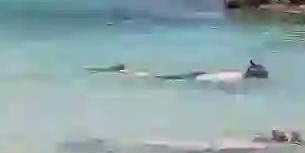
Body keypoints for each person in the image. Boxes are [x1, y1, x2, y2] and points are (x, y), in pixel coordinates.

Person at [86, 59, 270, 83]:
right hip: (197, 78)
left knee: (158, 77)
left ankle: (123, 71)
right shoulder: (237, 79)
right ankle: (122, 71)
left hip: (198, 75)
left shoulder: (237, 74)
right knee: (157, 78)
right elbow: (217, 83)